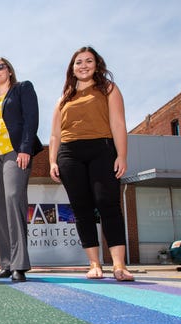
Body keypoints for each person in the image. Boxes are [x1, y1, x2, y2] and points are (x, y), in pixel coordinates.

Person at [49, 46, 134, 282]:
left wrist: (121, 155)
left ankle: (119, 265)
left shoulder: (108, 89)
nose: (83, 65)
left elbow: (118, 123)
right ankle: (94, 264)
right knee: (81, 209)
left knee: (108, 204)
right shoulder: (63, 98)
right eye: (78, 62)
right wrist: (52, 161)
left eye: (88, 61)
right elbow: (55, 135)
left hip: (102, 149)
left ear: (97, 65)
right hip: (69, 154)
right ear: (72, 68)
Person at [0, 57, 43, 283]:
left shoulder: (23, 89)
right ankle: (6, 263)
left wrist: (25, 149)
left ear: (9, 70)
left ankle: (19, 265)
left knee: (14, 198)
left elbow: (31, 119)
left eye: (0, 67)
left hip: (15, 151)